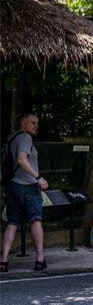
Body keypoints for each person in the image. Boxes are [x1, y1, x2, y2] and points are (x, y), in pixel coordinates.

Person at [2, 113, 48, 272]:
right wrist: (38, 177)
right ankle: (40, 260)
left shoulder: (11, 138)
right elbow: (22, 160)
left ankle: (4, 260)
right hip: (28, 186)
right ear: (23, 124)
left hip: (12, 186)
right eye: (32, 122)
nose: (36, 126)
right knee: (36, 220)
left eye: (37, 123)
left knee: (13, 222)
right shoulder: (25, 138)